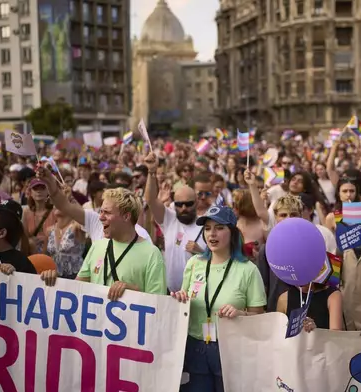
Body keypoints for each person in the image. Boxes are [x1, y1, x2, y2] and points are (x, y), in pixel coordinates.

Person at [171, 205, 266, 392]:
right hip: (195, 346)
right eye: (207, 228)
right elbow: (184, 302)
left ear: (232, 232)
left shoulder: (248, 270)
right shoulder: (194, 263)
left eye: (219, 228)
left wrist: (240, 313)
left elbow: (260, 317)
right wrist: (180, 298)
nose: (212, 234)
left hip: (231, 350)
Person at [41, 187, 166, 299]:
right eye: (101, 211)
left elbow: (157, 305)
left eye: (107, 212)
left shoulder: (152, 254)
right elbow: (77, 288)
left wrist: (132, 291)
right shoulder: (97, 246)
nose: (101, 217)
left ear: (126, 217)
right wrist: (55, 281)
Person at [144, 152, 207, 293]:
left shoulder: (206, 226)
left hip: (197, 294)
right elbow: (151, 200)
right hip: (170, 293)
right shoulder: (169, 219)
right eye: (179, 204)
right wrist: (151, 171)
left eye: (188, 204)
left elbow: (220, 260)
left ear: (196, 202)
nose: (184, 208)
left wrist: (201, 252)